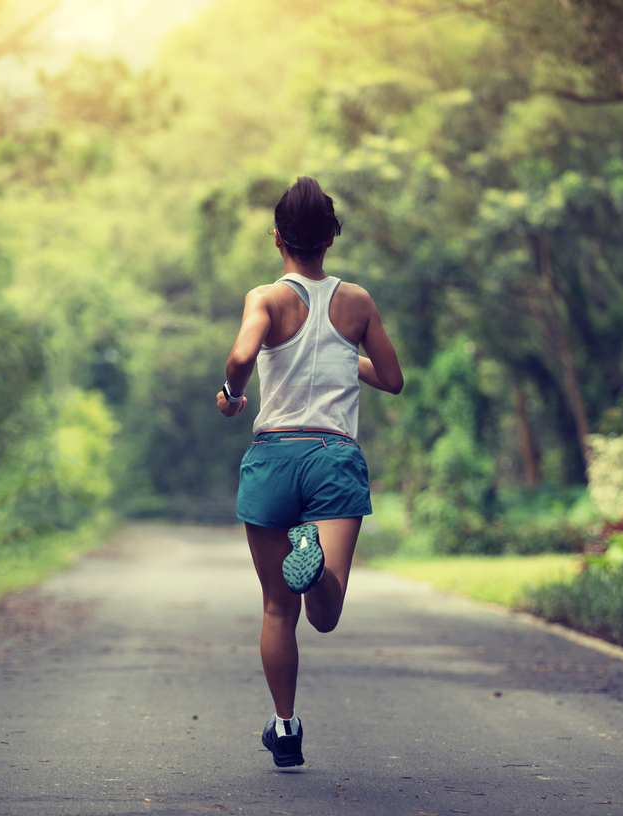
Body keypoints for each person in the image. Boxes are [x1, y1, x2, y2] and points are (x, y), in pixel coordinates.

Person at [216, 176, 403, 768]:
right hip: (333, 457)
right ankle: (315, 566)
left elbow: (243, 356)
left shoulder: (266, 299)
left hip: (273, 456)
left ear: (278, 240)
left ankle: (285, 727)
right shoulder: (358, 302)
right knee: (325, 615)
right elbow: (393, 379)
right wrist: (351, 359)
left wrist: (231, 392)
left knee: (277, 608)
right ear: (332, 236)